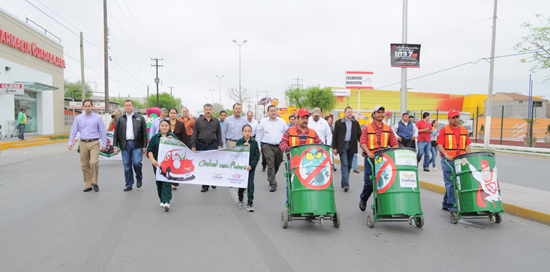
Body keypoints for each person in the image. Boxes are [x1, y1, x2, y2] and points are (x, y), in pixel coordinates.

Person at [359, 105, 398, 212]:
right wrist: (368, 153)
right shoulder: (367, 128)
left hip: (384, 160)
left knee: (383, 183)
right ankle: (363, 198)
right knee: (370, 183)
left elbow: (394, 143)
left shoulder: (388, 129)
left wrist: (394, 153)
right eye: (378, 112)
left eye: (382, 112)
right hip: (371, 159)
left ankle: (377, 204)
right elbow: (362, 142)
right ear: (373, 115)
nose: (381, 114)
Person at [280, 108, 323, 204]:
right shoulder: (289, 131)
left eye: (306, 118)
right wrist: (288, 150)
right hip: (293, 163)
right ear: (297, 119)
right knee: (291, 183)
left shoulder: (313, 133)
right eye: (302, 118)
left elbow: (321, 145)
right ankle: (290, 203)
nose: (305, 120)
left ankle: (309, 203)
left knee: (310, 183)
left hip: (309, 164)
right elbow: (282, 143)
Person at [68, 99, 108, 192]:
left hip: (94, 142)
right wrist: (70, 143)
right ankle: (88, 184)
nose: (87, 107)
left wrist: (104, 144)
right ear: (83, 107)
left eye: (89, 105)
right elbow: (74, 131)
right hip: (83, 143)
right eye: (85, 106)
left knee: (94, 162)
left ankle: (95, 182)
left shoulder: (97, 118)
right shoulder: (78, 118)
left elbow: (103, 131)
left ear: (92, 107)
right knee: (85, 164)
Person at [437, 110, 471, 213]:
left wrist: (469, 157)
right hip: (448, 161)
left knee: (454, 183)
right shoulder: (444, 130)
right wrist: (447, 155)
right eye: (453, 117)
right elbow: (439, 145)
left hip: (461, 160)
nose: (456, 119)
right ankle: (452, 205)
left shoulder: (464, 130)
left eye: (457, 117)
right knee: (450, 183)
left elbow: (467, 145)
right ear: (449, 119)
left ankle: (445, 203)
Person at [113, 100, 148, 191]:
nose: (128, 107)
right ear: (124, 107)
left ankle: (139, 177)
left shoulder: (140, 118)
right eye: (126, 105)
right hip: (125, 145)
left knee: (136, 163)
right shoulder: (120, 119)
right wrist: (115, 146)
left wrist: (144, 146)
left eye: (129, 105)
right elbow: (116, 133)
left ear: (133, 106)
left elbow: (144, 133)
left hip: (137, 144)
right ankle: (129, 184)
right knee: (127, 165)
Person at [146, 120, 177, 212]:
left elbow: (179, 149)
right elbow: (150, 150)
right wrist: (153, 160)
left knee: (167, 181)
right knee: (159, 181)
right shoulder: (155, 138)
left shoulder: (173, 137)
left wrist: (173, 141)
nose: (164, 127)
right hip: (157, 164)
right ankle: (162, 199)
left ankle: (167, 201)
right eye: (162, 125)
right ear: (159, 127)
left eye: (166, 125)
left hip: (169, 165)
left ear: (169, 127)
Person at [191, 104, 222, 192]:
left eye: (209, 109)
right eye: (206, 109)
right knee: (204, 165)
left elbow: (219, 133)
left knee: (213, 164)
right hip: (202, 145)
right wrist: (193, 146)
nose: (208, 111)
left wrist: (220, 144)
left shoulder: (216, 121)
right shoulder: (199, 121)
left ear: (211, 110)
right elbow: (195, 133)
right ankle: (205, 185)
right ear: (204, 110)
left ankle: (213, 181)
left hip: (213, 145)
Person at [256, 105, 287, 192]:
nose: (273, 112)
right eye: (271, 111)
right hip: (267, 145)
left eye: (274, 110)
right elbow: (259, 135)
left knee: (277, 164)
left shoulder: (282, 122)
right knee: (270, 164)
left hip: (279, 146)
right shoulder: (263, 122)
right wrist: (259, 146)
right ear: (268, 112)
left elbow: (286, 134)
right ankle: (273, 183)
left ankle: (270, 176)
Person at [332, 107, 362, 192]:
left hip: (351, 145)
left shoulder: (355, 123)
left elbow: (360, 135)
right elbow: (335, 136)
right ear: (344, 113)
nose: (350, 113)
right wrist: (334, 147)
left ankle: (344, 182)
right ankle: (346, 184)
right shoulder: (338, 123)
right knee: (344, 164)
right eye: (348, 112)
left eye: (351, 112)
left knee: (349, 165)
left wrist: (363, 146)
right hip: (342, 146)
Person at [236, 124, 260, 212]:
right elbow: (236, 153)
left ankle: (250, 202)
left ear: (251, 132)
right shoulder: (239, 142)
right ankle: (240, 197)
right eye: (245, 131)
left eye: (249, 131)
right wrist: (243, 146)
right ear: (242, 132)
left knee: (250, 184)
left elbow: (256, 155)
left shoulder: (254, 142)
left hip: (250, 167)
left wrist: (252, 165)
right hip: (241, 167)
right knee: (241, 183)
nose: (247, 133)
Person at [168, 108, 189, 191]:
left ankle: (174, 183)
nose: (172, 114)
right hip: (167, 147)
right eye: (171, 113)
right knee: (168, 164)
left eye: (174, 113)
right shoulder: (165, 123)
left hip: (177, 147)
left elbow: (184, 137)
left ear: (177, 114)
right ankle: (167, 181)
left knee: (176, 165)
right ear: (169, 114)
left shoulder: (180, 124)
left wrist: (185, 149)